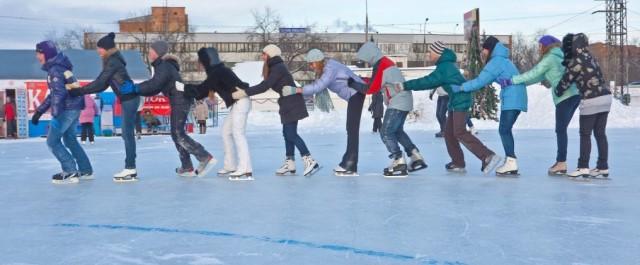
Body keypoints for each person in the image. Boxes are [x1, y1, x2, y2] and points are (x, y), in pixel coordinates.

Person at [395, 41, 501, 174]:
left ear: (438, 54)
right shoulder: (445, 65)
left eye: (430, 52)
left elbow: (428, 81)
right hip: (456, 100)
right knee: (449, 133)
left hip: (460, 100)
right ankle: (458, 162)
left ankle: (487, 156)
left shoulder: (444, 67)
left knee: (459, 132)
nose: (428, 55)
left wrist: (405, 85)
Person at [119, 40, 217, 178]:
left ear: (157, 53)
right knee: (176, 133)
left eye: (151, 50)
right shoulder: (163, 66)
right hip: (179, 100)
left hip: (180, 100)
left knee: (177, 133)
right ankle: (187, 166)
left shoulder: (164, 66)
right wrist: (138, 90)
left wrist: (136, 88)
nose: (149, 53)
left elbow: (154, 84)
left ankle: (204, 156)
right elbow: (155, 88)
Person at [498, 35, 581, 175]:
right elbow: (538, 77)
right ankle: (561, 162)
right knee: (562, 129)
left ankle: (561, 163)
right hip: (575, 94)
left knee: (560, 130)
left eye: (540, 45)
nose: (539, 48)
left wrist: (512, 80)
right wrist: (521, 83)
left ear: (545, 46)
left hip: (564, 97)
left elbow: (534, 73)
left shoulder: (549, 58)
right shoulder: (559, 56)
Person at [233, 44, 319, 177]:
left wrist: (245, 93)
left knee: (290, 134)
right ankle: (290, 162)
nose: (262, 56)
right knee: (287, 134)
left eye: (264, 53)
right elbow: (265, 84)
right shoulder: (275, 67)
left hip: (292, 103)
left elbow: (264, 86)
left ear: (269, 54)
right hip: (288, 102)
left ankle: (309, 160)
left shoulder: (278, 68)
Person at [67, 32, 141, 182]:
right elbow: (103, 85)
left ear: (107, 49)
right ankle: (130, 167)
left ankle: (130, 168)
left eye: (99, 48)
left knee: (127, 134)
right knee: (127, 134)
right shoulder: (112, 61)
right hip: (128, 99)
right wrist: (82, 91)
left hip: (130, 98)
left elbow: (100, 82)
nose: (98, 51)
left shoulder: (113, 62)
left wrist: (79, 91)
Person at [451, 36, 528, 176]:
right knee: (506, 129)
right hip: (517, 97)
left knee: (504, 130)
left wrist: (461, 87)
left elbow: (480, 81)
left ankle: (511, 162)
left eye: (484, 50)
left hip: (512, 98)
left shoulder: (496, 62)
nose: (483, 53)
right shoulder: (503, 59)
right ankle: (511, 161)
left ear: (490, 49)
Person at [354, 42, 427, 176]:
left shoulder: (382, 65)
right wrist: (360, 80)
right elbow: (376, 81)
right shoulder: (384, 63)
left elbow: (372, 88)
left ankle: (398, 160)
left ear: (370, 56)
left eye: (367, 60)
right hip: (404, 100)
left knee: (386, 132)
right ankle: (415, 156)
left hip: (398, 102)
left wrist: (355, 84)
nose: (368, 63)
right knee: (397, 131)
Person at [182, 47, 254, 180]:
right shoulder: (217, 72)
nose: (200, 65)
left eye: (201, 62)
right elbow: (203, 92)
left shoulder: (218, 72)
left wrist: (182, 87)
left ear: (207, 61)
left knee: (238, 134)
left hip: (241, 101)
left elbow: (201, 89)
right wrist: (188, 89)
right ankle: (230, 165)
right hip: (237, 103)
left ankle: (245, 168)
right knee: (226, 132)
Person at [292, 48, 366, 176]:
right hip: (354, 95)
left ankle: (350, 164)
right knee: (351, 129)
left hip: (356, 94)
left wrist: (298, 90)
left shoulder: (329, 69)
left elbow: (319, 86)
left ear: (318, 61)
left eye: (312, 63)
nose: (310, 66)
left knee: (352, 130)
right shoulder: (328, 67)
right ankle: (348, 161)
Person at [31, 40, 93, 184]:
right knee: (70, 140)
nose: (37, 56)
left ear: (46, 54)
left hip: (66, 109)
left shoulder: (55, 70)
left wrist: (56, 113)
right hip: (74, 108)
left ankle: (70, 170)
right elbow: (54, 94)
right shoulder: (60, 67)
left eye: (39, 53)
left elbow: (59, 93)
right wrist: (39, 111)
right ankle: (85, 170)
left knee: (52, 141)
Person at [555, 33, 612, 178]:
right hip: (605, 98)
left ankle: (583, 166)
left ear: (575, 46)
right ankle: (602, 167)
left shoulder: (576, 61)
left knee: (585, 134)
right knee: (600, 134)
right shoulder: (591, 58)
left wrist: (558, 90)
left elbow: (566, 80)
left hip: (591, 100)